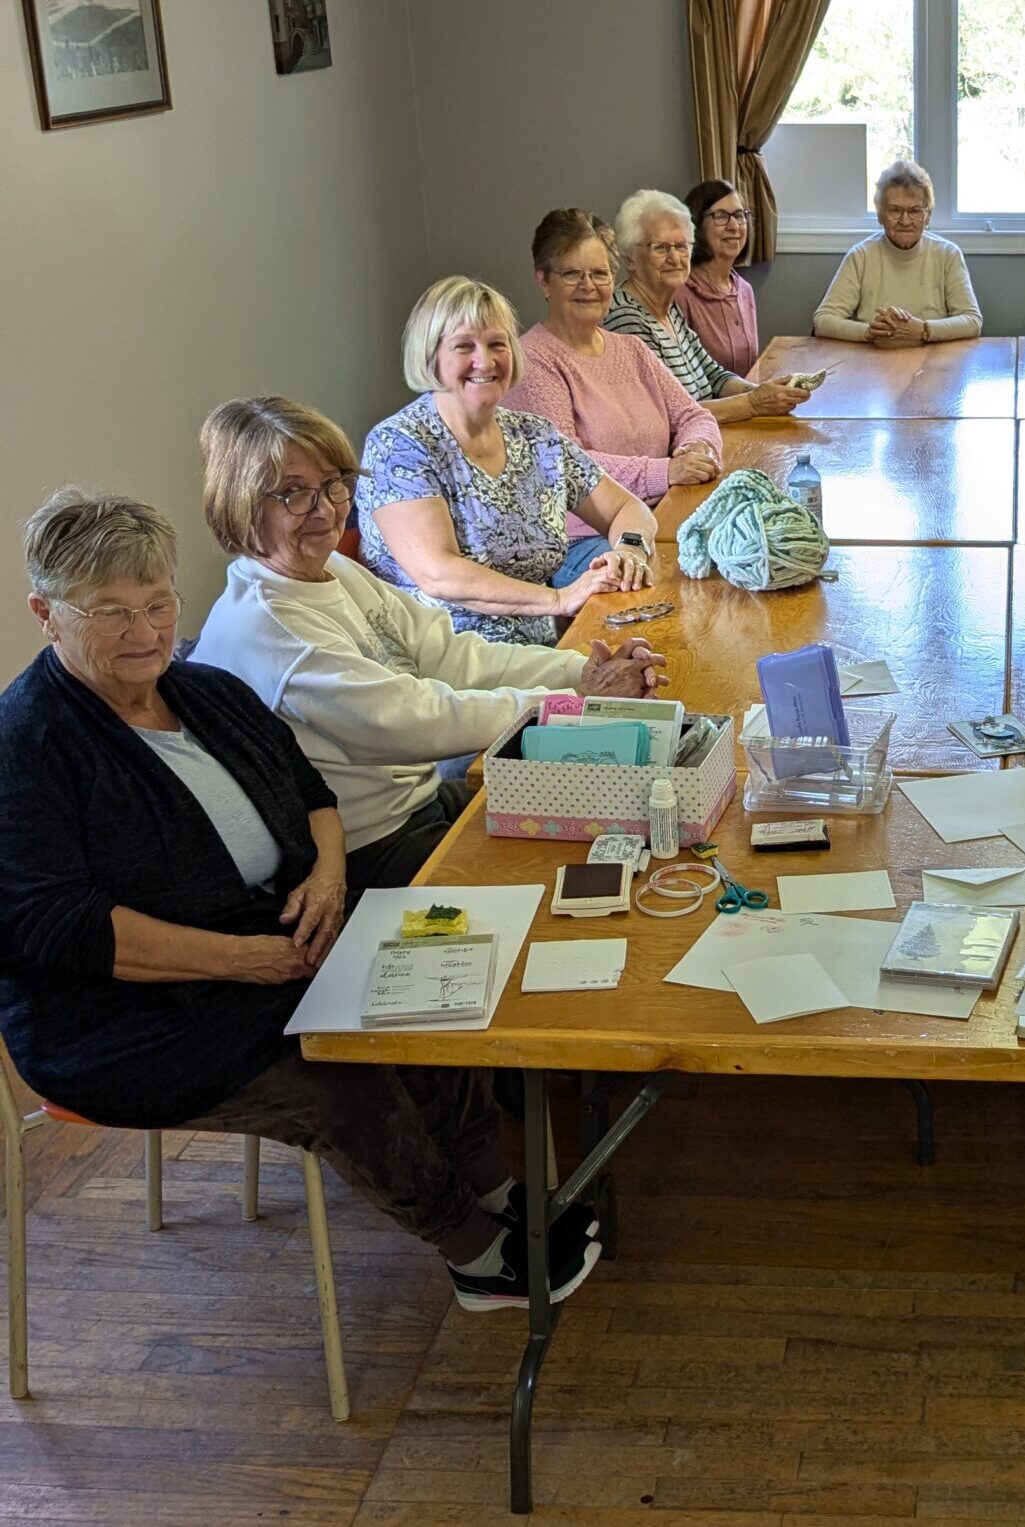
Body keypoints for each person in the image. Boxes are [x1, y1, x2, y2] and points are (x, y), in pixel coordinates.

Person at [0, 489, 601, 1311]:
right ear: (46, 613)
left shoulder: (203, 691)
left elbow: (312, 793)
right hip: (128, 1015)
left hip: (277, 939)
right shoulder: (26, 743)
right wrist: (245, 961)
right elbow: (63, 928)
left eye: (158, 603)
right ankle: (472, 1248)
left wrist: (328, 876)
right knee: (333, 1068)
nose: (145, 632)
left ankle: (494, 1186)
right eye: (111, 613)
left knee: (427, 980)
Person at [193, 396, 670, 892]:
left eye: (334, 484)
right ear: (242, 502)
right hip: (368, 849)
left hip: (422, 804)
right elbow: (409, 720)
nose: (327, 509)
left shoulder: (329, 569)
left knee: (626, 828)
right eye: (295, 494)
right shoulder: (269, 627)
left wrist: (577, 670)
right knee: (581, 880)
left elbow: (452, 653)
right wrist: (572, 702)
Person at [355, 276, 656, 646]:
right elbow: (438, 574)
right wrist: (559, 599)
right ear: (431, 356)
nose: (485, 361)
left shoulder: (535, 435)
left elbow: (626, 507)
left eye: (497, 344)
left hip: (539, 651)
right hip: (443, 656)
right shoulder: (399, 444)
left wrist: (628, 551)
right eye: (464, 346)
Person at [502, 208, 723, 586]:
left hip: (659, 514)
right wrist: (665, 472)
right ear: (543, 281)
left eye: (600, 273)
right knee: (676, 591)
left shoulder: (632, 349)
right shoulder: (532, 362)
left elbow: (694, 415)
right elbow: (566, 464)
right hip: (583, 540)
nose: (588, 285)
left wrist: (696, 449)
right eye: (571, 274)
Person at [605, 189, 810, 422]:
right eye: (660, 248)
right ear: (630, 258)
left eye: (682, 246)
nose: (675, 258)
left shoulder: (667, 309)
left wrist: (763, 392)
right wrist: (754, 403)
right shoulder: (627, 320)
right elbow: (668, 415)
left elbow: (714, 376)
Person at [813, 160, 984, 345]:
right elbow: (823, 320)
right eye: (895, 210)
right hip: (873, 355)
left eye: (915, 211)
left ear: (927, 216)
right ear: (880, 215)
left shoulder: (948, 254)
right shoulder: (861, 256)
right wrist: (870, 331)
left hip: (933, 355)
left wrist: (923, 330)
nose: (905, 221)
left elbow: (972, 321)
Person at [677, 178, 762, 375]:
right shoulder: (680, 294)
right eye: (721, 216)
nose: (734, 226)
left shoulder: (745, 290)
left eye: (739, 215)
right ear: (696, 225)